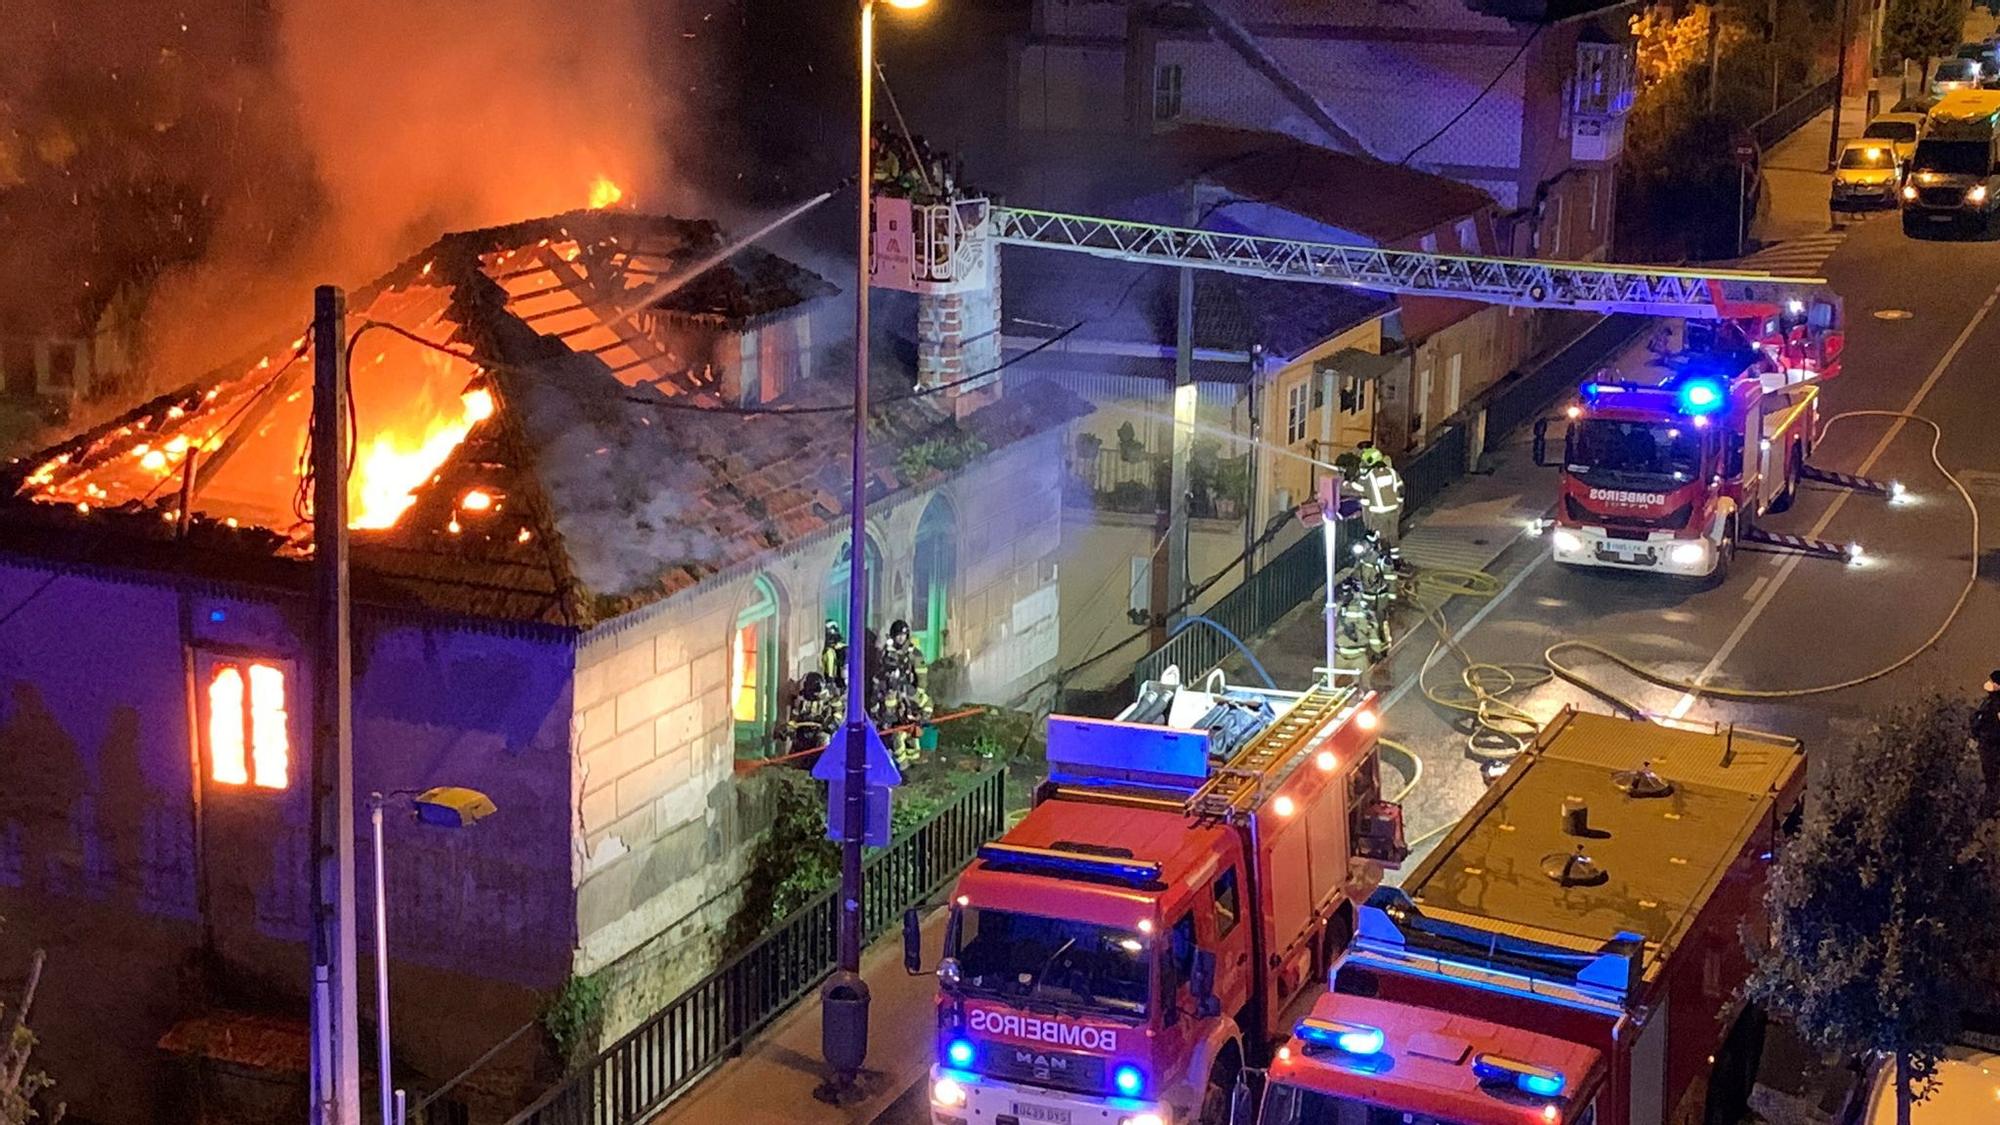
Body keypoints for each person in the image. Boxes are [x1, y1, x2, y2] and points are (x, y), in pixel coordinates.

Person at [1353, 442, 1404, 546]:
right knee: (1393, 534)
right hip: (1392, 507)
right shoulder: (1391, 471)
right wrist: (1400, 503)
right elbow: (1400, 488)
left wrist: (1349, 480)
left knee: (1382, 534)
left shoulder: (1370, 475)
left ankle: (1384, 555)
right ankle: (1394, 557)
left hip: (1377, 510)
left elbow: (1360, 487)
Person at [1974, 670, 2000, 796]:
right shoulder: (1989, 702)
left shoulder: (1996, 704)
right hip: (1986, 742)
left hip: (1993, 744)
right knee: (1990, 778)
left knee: (1993, 779)